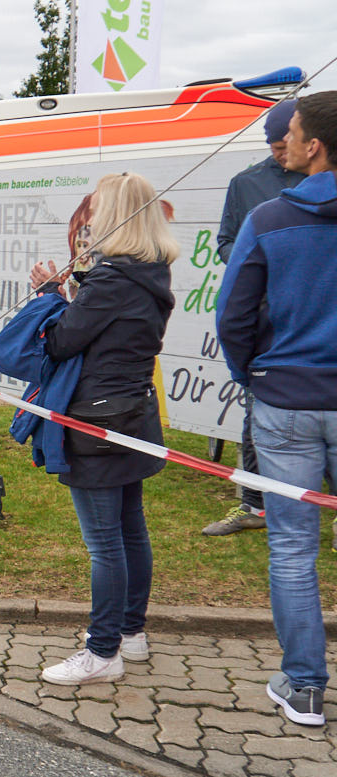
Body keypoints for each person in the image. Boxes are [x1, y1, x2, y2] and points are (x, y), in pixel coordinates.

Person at [216, 91, 337, 727]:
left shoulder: (268, 218)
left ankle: (306, 686)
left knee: (293, 548)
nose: (281, 141)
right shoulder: (265, 211)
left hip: (285, 400)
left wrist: (252, 376)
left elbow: (232, 315)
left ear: (314, 146)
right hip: (290, 395)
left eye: (289, 132)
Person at [29, 172, 177, 686]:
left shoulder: (113, 280)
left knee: (105, 544)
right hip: (132, 414)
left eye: (96, 209)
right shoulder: (150, 273)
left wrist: (49, 295)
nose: (89, 218)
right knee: (131, 529)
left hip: (97, 422)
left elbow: (60, 342)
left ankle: (102, 651)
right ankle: (130, 632)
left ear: (114, 215)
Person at [203, 99, 307, 538]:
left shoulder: (324, 179)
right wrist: (256, 261)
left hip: (314, 319)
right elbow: (226, 242)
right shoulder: (245, 184)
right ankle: (253, 504)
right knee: (254, 416)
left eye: (287, 146)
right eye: (275, 148)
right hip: (267, 322)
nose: (282, 155)